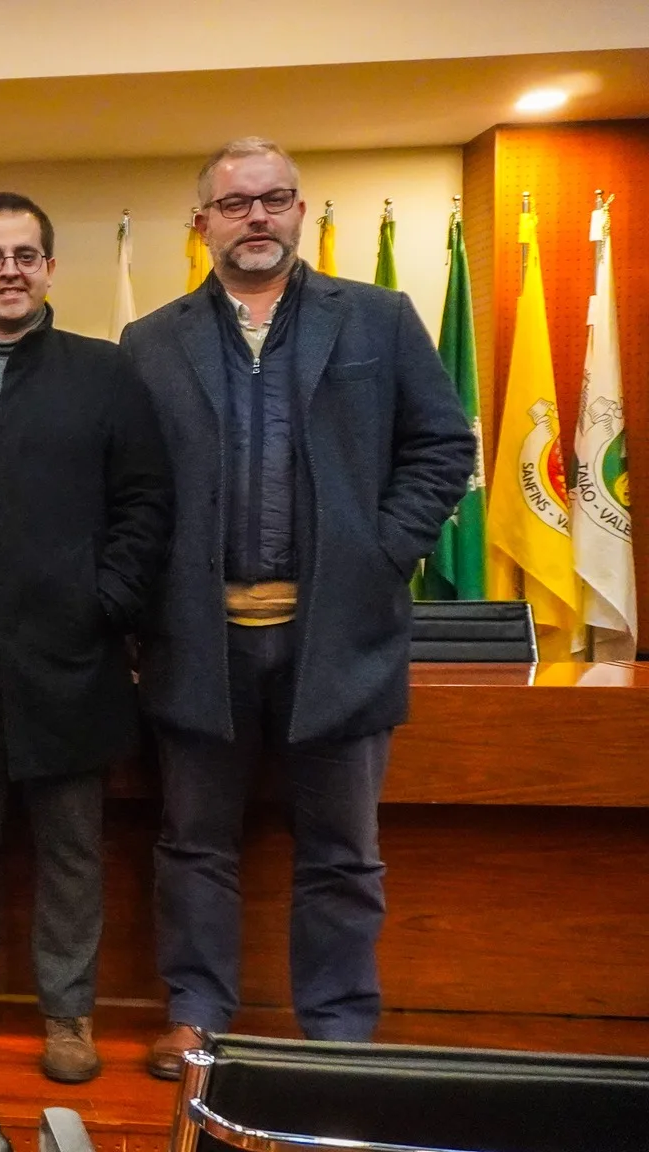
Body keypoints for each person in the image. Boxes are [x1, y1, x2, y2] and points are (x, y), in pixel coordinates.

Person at [120, 138, 473, 1077]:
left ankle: (340, 1030)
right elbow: (132, 484)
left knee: (342, 852)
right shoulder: (151, 341)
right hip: (198, 638)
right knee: (193, 844)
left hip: (340, 637)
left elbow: (443, 446)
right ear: (202, 223)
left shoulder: (378, 319)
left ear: (300, 212)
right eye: (236, 204)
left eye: (274, 199)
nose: (257, 218)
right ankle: (196, 1015)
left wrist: (381, 550)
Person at [0, 193, 173, 1082]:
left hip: (72, 657)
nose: (9, 271)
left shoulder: (104, 373)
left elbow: (145, 502)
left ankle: (69, 1015)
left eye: (25, 255)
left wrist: (106, 602)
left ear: (51, 268)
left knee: (71, 851)